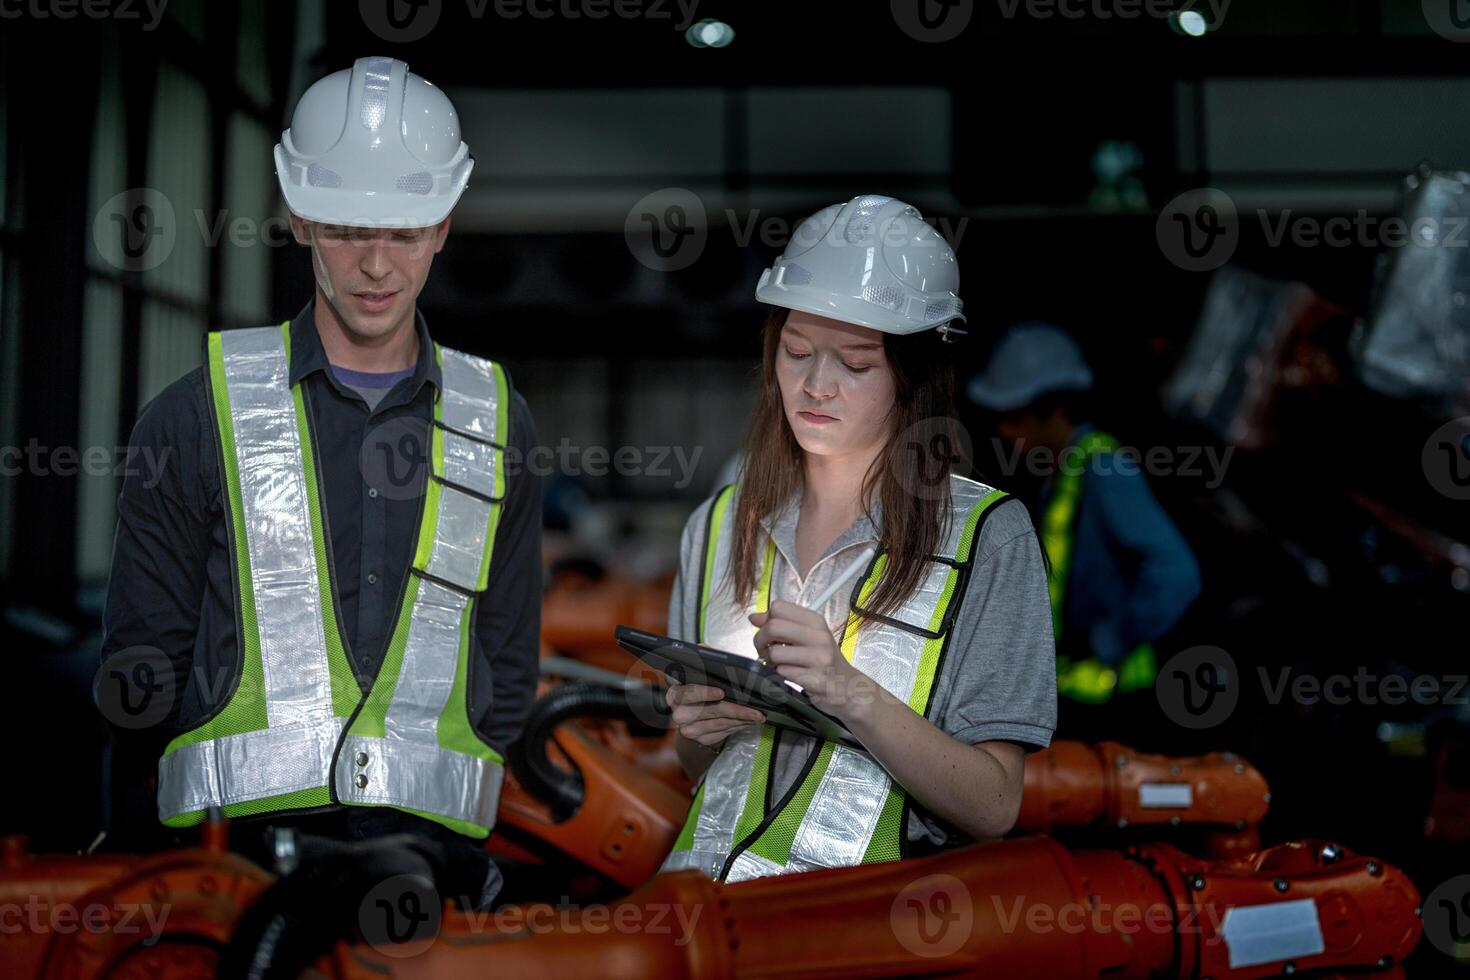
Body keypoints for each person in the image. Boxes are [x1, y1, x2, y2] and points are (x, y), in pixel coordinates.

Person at [97, 57, 541, 906]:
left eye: (405, 233)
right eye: (345, 230)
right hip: (236, 861)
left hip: (433, 861)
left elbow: (507, 651)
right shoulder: (194, 418)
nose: (376, 265)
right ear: (298, 218)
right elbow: (141, 665)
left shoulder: (497, 417)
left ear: (443, 224)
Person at [659, 195, 1057, 883]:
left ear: (914, 376)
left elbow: (994, 806)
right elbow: (702, 773)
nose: (816, 386)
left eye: (855, 364)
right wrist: (699, 731)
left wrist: (847, 690)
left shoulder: (987, 539)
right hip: (703, 914)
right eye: (797, 352)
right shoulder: (720, 522)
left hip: (859, 928)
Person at [966, 322, 1201, 706]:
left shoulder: (1105, 470)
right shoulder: (1061, 474)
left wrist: (1107, 639)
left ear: (1055, 409)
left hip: (1115, 698)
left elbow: (1177, 572)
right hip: (1073, 690)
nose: (1005, 432)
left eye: (1016, 417)